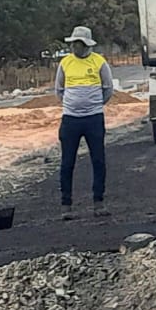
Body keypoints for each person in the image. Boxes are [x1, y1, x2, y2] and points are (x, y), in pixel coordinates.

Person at [55, 25, 113, 219]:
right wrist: (72, 106)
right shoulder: (65, 63)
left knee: (98, 160)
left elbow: (108, 89)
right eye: (73, 44)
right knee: (67, 163)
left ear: (86, 45)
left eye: (78, 44)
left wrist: (94, 105)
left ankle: (99, 203)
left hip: (94, 118)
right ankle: (66, 206)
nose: (74, 47)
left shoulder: (99, 62)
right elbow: (59, 90)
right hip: (70, 119)